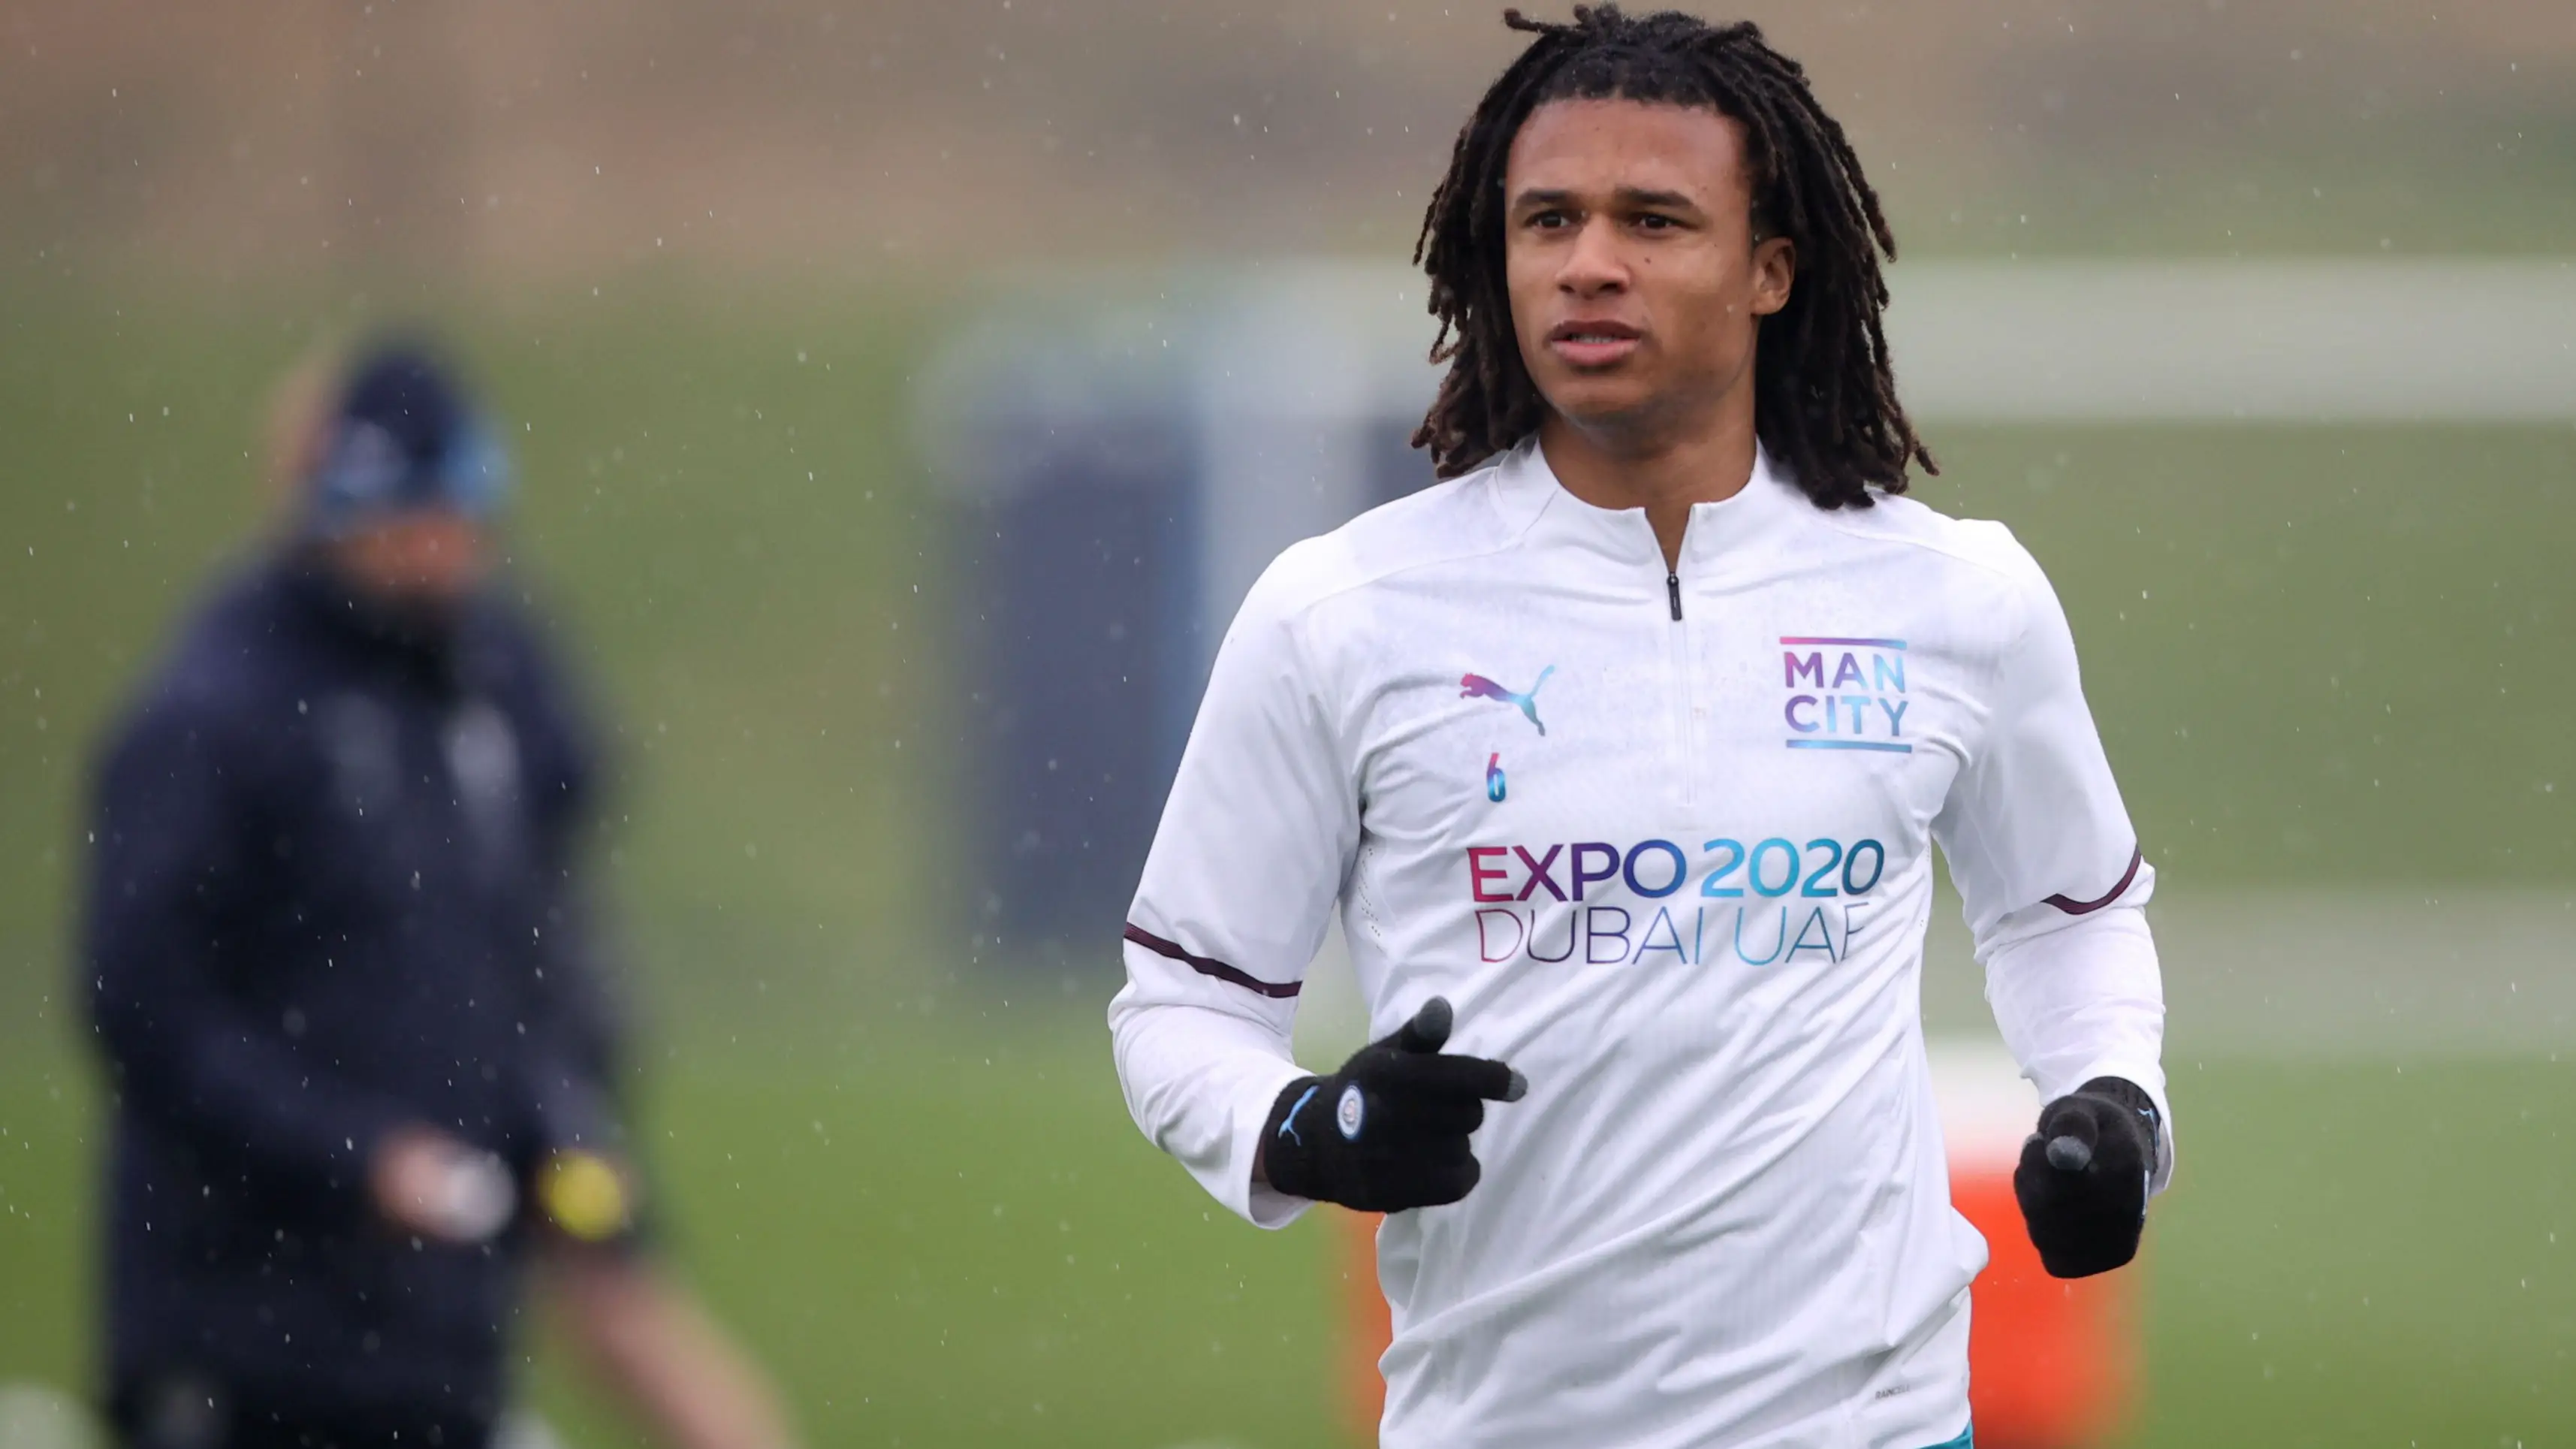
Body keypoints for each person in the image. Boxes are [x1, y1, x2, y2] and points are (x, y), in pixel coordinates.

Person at [1108, 9, 2172, 1447]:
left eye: (1652, 221)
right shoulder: (1340, 613)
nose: (1587, 262)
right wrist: (1309, 1129)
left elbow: (2064, 917)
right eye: (1547, 220)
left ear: (1770, 271)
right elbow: (1182, 1006)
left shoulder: (1955, 596)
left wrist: (2115, 1104)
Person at [82, 342, 801, 1449]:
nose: (439, 554)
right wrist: (353, 1157)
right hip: (247, 1342)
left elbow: (506, 945)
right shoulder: (219, 712)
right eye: (406, 522)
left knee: (637, 1319)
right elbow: (144, 1004)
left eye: (455, 521)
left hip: (429, 1345)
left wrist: (560, 1126)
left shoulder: (469, 684)